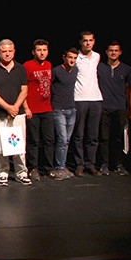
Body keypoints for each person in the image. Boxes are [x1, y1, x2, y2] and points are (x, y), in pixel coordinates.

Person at [0, 39, 32, 186]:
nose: (7, 54)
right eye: (4, 51)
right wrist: (8, 108)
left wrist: (15, 108)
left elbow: (24, 90)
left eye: (10, 51)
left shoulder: (20, 69)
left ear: (14, 51)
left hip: (17, 113)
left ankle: (21, 173)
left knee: (19, 145)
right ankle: (3, 172)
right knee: (0, 146)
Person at [97, 40, 131, 176]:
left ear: (120, 52)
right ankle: (104, 164)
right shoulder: (100, 67)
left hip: (120, 107)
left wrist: (129, 108)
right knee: (104, 137)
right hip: (104, 106)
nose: (113, 53)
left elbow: (128, 89)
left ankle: (118, 164)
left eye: (116, 50)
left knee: (119, 138)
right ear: (106, 52)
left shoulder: (126, 69)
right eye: (111, 50)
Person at [22, 39, 55, 181]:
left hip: (47, 108)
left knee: (49, 140)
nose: (42, 53)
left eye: (44, 50)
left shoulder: (49, 65)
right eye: (39, 50)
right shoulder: (27, 66)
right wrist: (26, 108)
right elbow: (22, 89)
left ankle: (48, 168)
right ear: (33, 52)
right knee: (33, 140)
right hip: (33, 110)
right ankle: (33, 168)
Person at [72, 30, 103, 177]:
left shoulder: (97, 56)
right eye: (85, 40)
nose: (88, 43)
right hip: (79, 99)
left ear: (94, 41)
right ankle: (79, 164)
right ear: (80, 42)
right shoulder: (76, 58)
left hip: (95, 98)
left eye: (90, 40)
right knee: (79, 134)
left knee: (93, 135)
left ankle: (90, 163)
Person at [51, 47, 79, 181]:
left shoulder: (76, 70)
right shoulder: (56, 71)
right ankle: (59, 167)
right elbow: (48, 87)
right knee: (62, 140)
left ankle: (62, 165)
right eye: (70, 57)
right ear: (64, 57)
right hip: (59, 109)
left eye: (74, 58)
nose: (72, 60)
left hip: (71, 109)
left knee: (66, 140)